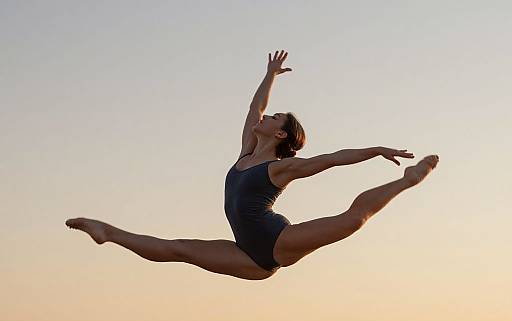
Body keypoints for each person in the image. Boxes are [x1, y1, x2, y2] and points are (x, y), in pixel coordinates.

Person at [66, 50, 439, 281]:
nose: (266, 117)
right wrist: (270, 76)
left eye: (275, 118)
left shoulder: (279, 169)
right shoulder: (246, 153)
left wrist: (374, 150)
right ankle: (108, 232)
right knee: (179, 249)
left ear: (281, 135)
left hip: (279, 242)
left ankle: (409, 180)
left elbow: (329, 160)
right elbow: (253, 109)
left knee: (353, 219)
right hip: (249, 258)